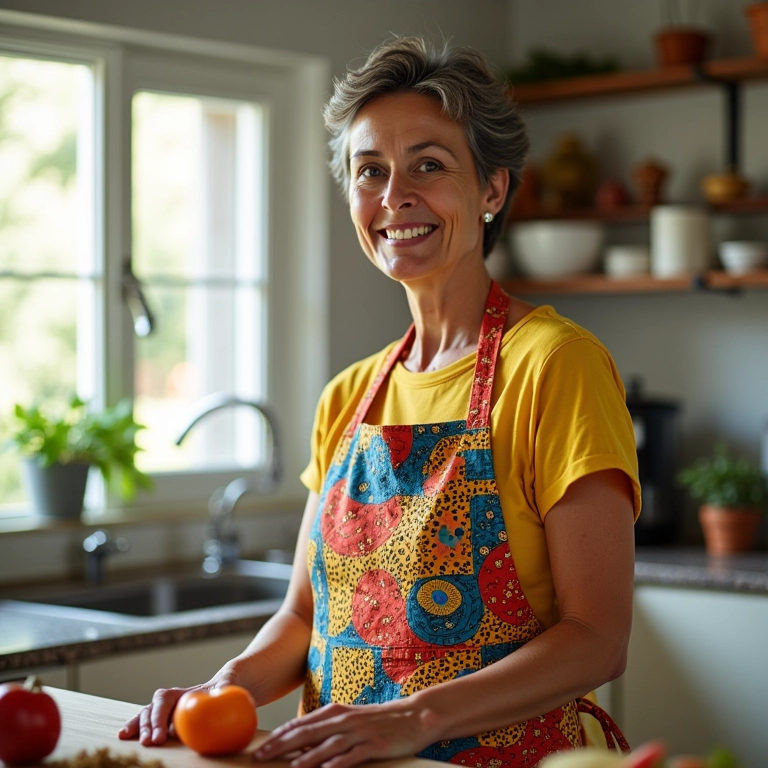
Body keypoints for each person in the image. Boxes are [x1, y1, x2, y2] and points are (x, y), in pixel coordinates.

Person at [120, 36, 640, 767]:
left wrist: (413, 718)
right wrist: (223, 687)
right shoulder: (348, 397)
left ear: (492, 191)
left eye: (429, 165)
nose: (395, 196)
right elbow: (303, 615)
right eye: (371, 171)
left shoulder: (555, 365)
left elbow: (598, 638)